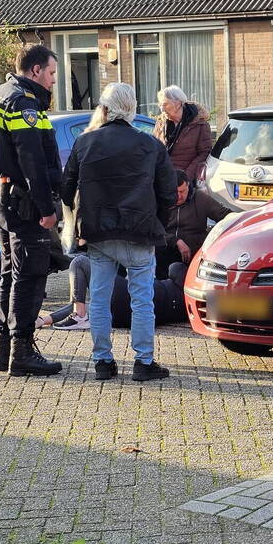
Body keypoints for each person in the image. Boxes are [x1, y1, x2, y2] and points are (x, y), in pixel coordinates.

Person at [61, 83, 177, 382]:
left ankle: (102, 361)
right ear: (133, 108)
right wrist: (158, 224)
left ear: (105, 108)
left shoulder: (85, 142)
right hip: (140, 231)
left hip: (99, 233)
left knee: (98, 298)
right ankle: (143, 361)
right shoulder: (152, 145)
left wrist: (81, 219)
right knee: (142, 299)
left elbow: (65, 189)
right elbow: (168, 194)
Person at [0, 44, 63, 376]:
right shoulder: (23, 103)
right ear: (36, 70)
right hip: (24, 203)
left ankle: (5, 350)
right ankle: (23, 351)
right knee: (30, 277)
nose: (54, 81)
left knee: (10, 274)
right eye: (52, 73)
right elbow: (33, 162)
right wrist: (46, 209)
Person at [37, 260, 188, 330]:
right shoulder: (188, 310)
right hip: (125, 318)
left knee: (80, 262)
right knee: (84, 304)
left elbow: (175, 267)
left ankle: (79, 316)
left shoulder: (186, 283)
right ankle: (42, 321)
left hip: (128, 297)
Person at [156, 169, 234, 278]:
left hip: (194, 251)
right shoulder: (161, 200)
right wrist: (176, 241)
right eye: (174, 192)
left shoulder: (200, 198)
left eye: (182, 191)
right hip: (166, 249)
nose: (178, 196)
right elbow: (153, 228)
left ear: (188, 186)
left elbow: (224, 215)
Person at [154, 85, 212, 182]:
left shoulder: (199, 124)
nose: (162, 109)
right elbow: (154, 149)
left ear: (178, 104)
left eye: (165, 104)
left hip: (185, 183)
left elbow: (204, 153)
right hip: (162, 179)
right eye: (160, 105)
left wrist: (186, 176)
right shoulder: (161, 123)